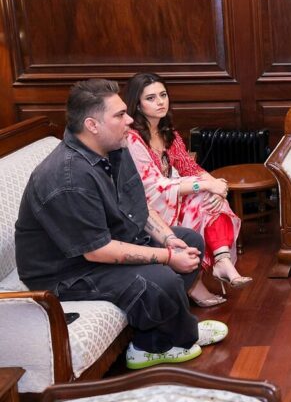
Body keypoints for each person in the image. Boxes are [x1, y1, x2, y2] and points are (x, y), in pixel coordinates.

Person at [15, 79, 228, 370]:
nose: (129, 120)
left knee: (188, 239)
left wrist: (167, 240)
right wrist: (167, 257)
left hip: (104, 243)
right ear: (92, 125)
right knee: (161, 278)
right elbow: (97, 251)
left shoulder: (115, 147)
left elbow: (138, 207)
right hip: (66, 272)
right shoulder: (67, 178)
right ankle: (153, 346)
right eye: (119, 115)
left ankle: (169, 330)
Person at [123, 73, 250, 308]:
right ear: (137, 105)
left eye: (163, 95)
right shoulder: (132, 139)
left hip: (169, 197)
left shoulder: (166, 130)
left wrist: (217, 186)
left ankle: (221, 260)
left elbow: (189, 167)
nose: (160, 102)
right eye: (151, 98)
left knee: (212, 199)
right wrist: (206, 185)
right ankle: (196, 283)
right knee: (202, 196)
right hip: (144, 207)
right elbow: (152, 187)